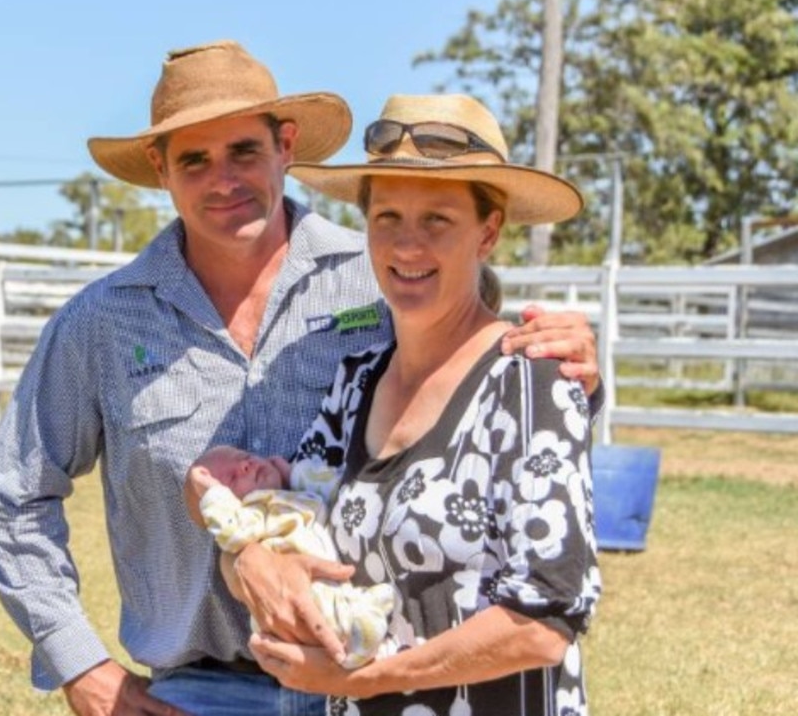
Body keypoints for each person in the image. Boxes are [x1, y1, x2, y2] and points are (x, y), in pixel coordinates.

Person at [0, 40, 601, 716]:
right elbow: (14, 490)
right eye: (194, 158)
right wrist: (81, 663)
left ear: (286, 146)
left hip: (371, 673)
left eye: (244, 150)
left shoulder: (385, 272)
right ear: (160, 168)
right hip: (197, 687)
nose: (224, 178)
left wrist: (574, 377)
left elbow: (482, 400)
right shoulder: (102, 322)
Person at [234, 93, 603, 715]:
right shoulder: (355, 383)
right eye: (388, 219)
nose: (407, 246)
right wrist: (247, 550)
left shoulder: (531, 385)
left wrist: (366, 680)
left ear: (487, 232)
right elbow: (288, 518)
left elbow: (544, 621)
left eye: (438, 220)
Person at [185, 445, 394, 670]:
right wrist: (211, 492)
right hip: (295, 592)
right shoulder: (252, 515)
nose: (245, 465)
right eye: (232, 478)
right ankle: (361, 644)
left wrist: (293, 472)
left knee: (344, 600)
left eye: (246, 457)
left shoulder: (292, 496)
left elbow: (341, 489)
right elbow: (231, 532)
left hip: (331, 575)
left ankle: (365, 628)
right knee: (326, 615)